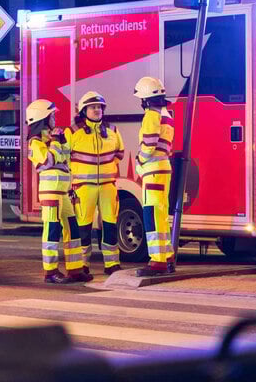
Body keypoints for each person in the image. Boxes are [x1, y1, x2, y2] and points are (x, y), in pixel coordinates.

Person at [26, 99, 92, 284]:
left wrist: (58, 141)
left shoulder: (50, 139)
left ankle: (75, 269)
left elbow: (64, 156)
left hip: (63, 192)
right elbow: (48, 161)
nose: (54, 118)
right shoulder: (35, 142)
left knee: (72, 230)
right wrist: (56, 142)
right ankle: (50, 272)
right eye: (51, 115)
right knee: (52, 231)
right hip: (50, 192)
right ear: (42, 118)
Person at [67, 91, 125, 275]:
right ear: (84, 110)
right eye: (93, 107)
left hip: (108, 185)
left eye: (99, 107)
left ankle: (112, 264)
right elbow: (64, 155)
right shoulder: (72, 131)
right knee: (83, 227)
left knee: (110, 225)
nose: (97, 110)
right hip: (84, 187)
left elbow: (120, 153)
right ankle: (83, 264)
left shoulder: (112, 130)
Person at [133, 77, 176, 276]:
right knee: (161, 214)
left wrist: (139, 161)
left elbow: (149, 144)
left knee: (152, 214)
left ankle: (157, 261)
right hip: (163, 168)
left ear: (145, 99)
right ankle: (166, 256)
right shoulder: (167, 114)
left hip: (153, 170)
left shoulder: (151, 114)